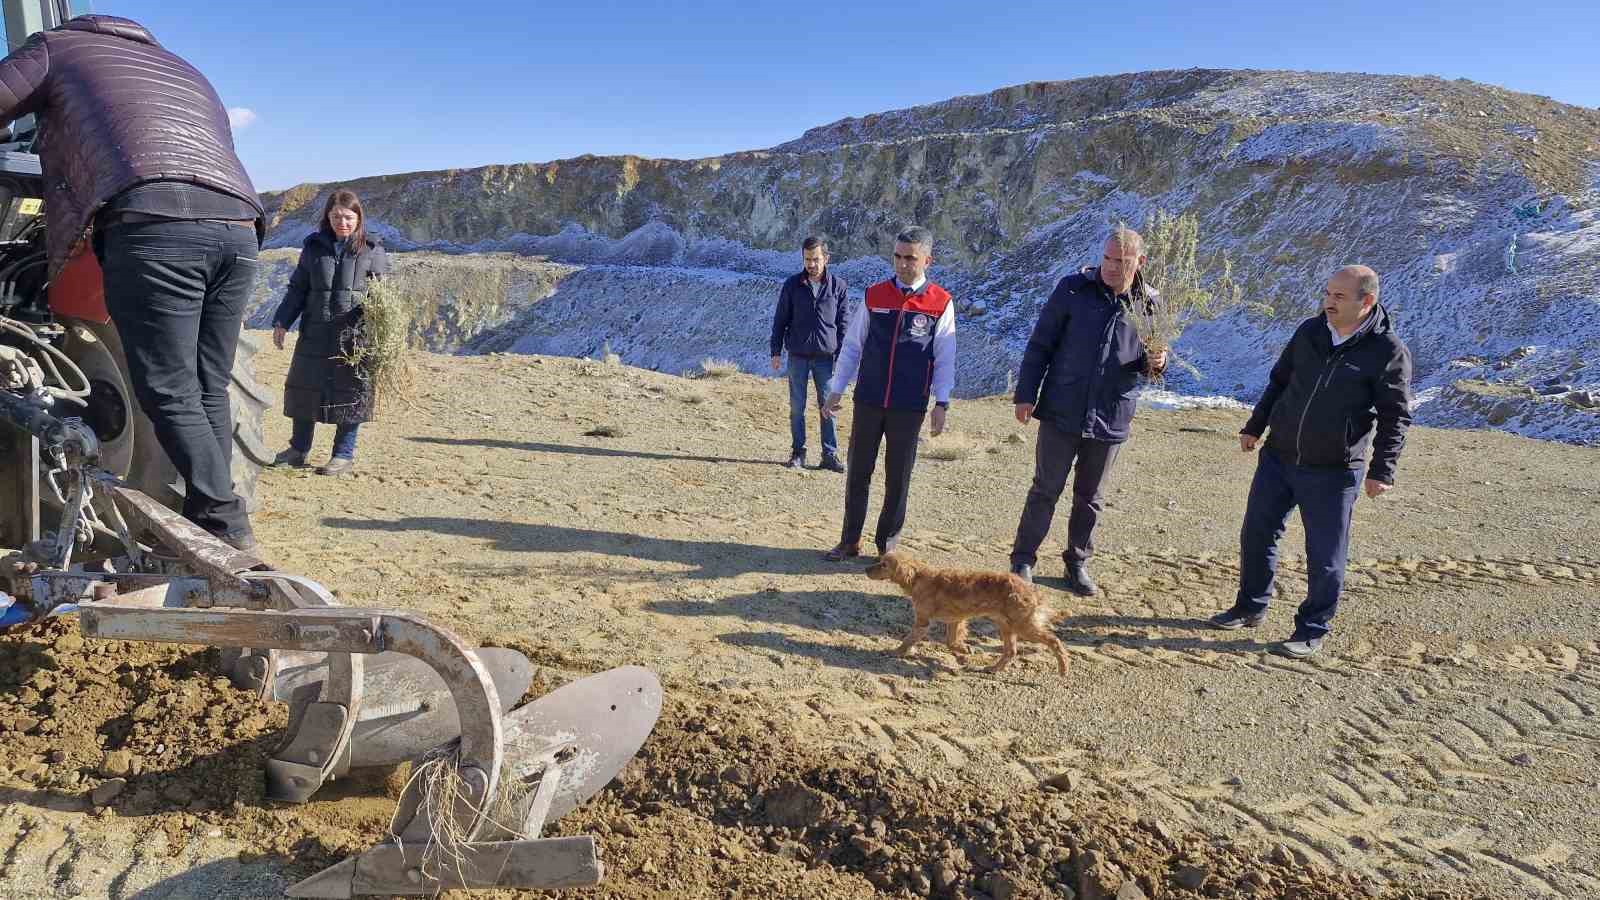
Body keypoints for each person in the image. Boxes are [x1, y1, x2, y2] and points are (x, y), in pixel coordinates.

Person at [0, 15, 266, 552]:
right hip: (239, 226)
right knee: (206, 384)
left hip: (152, 221)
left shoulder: (54, 48)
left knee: (168, 386)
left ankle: (223, 522)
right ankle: (211, 517)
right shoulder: (181, 68)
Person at [1210, 265, 1412, 658]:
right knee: (1257, 534)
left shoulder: (1387, 352)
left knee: (1325, 555)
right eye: (1327, 293)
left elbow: (1395, 416)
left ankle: (1312, 628)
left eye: (1339, 296)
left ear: (1365, 302)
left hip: (1334, 471)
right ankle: (1250, 605)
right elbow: (1279, 382)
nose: (1328, 302)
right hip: (1279, 457)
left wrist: (1382, 470)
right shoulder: (1310, 331)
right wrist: (1255, 426)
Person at [1009, 228, 1167, 595]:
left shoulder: (1150, 303)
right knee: (1045, 488)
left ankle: (1076, 562)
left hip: (1112, 413)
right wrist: (1025, 394)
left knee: (1090, 496)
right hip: (1062, 408)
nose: (1112, 267)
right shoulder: (1072, 289)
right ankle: (1023, 560)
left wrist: (1158, 362)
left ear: (1139, 262)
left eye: (1122, 261)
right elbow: (1040, 344)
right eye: (1108, 258)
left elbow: (1151, 362)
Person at [821, 226, 955, 561]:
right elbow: (852, 346)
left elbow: (945, 357)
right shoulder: (874, 295)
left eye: (910, 257)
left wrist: (941, 402)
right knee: (858, 473)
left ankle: (887, 547)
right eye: (897, 256)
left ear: (927, 259)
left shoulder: (940, 302)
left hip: (908, 406)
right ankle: (850, 540)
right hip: (868, 398)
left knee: (898, 479)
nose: (902, 263)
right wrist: (836, 389)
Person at [269, 190, 387, 476]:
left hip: (354, 338)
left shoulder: (372, 250)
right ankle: (298, 449)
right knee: (303, 390)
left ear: (359, 218)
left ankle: (342, 455)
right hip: (315, 332)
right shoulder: (313, 247)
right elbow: (298, 288)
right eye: (336, 216)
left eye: (348, 217)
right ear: (328, 217)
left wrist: (381, 334)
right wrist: (282, 321)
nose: (342, 222)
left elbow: (382, 296)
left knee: (350, 393)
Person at [769, 236, 851, 471]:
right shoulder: (792, 285)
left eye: (816, 259)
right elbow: (780, 320)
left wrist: (843, 358)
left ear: (826, 258)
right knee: (797, 406)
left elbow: (844, 325)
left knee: (829, 407)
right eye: (807, 259)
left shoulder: (839, 287)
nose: (811, 264)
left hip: (826, 358)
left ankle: (829, 455)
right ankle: (798, 453)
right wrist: (775, 351)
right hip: (797, 357)